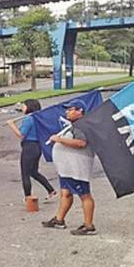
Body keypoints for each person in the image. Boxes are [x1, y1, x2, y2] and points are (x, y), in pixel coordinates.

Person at [42, 99, 97, 236]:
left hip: (76, 168)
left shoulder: (81, 126)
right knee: (66, 193)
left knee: (84, 195)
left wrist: (59, 139)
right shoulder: (73, 125)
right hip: (67, 168)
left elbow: (81, 142)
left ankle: (88, 225)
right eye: (67, 109)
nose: (67, 112)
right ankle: (59, 220)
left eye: (71, 109)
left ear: (80, 112)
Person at [7, 99, 56, 201]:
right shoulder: (38, 118)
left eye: (24, 106)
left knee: (25, 173)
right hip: (37, 147)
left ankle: (28, 196)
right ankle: (50, 190)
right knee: (33, 172)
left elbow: (21, 134)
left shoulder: (29, 119)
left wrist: (12, 125)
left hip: (29, 146)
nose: (22, 108)